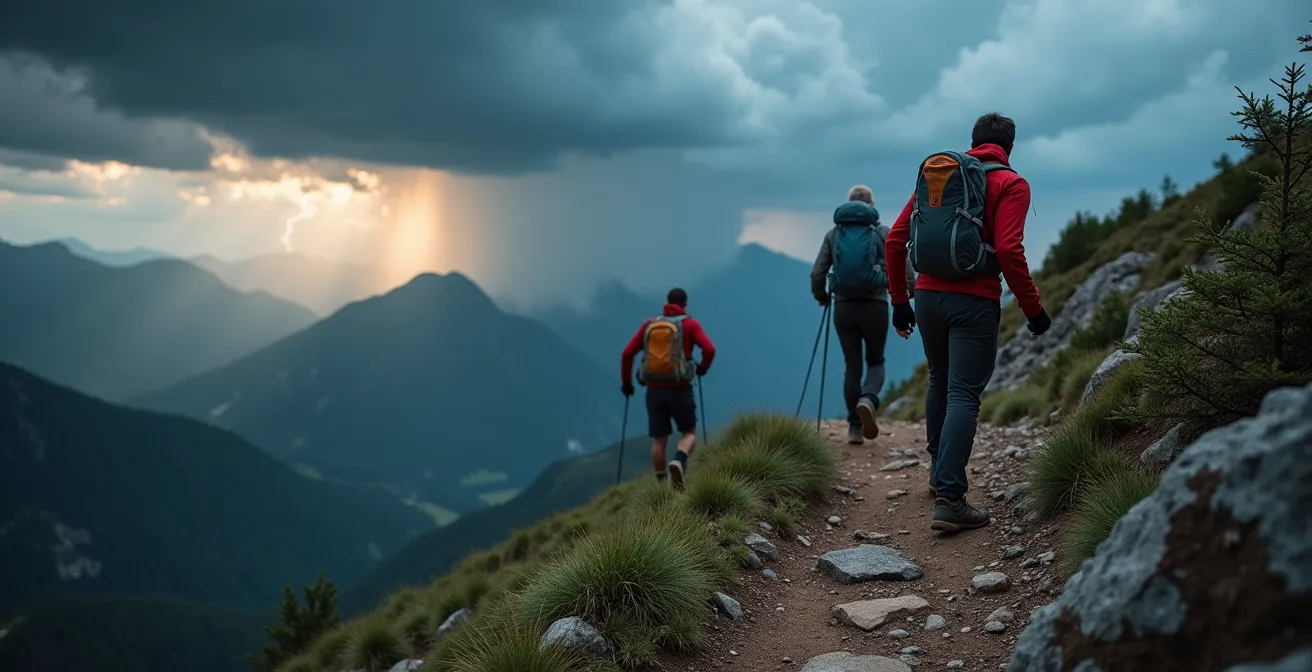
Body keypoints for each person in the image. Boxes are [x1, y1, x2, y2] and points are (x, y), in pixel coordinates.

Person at [885, 112, 1051, 532]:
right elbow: (1010, 251)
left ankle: (938, 473)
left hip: (925, 297)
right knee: (963, 393)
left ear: (973, 141)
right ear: (1009, 147)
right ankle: (951, 499)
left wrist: (900, 302)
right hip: (973, 301)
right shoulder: (1012, 184)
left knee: (939, 379)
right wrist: (1034, 311)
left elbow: (895, 240)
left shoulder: (939, 177)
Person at [811, 185, 915, 445]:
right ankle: (868, 399)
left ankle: (854, 429)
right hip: (875, 306)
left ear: (848, 204)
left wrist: (822, 297)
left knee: (852, 367)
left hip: (843, 307)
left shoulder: (834, 234)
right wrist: (907, 294)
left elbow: (817, 273)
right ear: (871, 204)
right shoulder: (881, 232)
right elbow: (905, 266)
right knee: (876, 361)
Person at [620, 287, 716, 491]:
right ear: (685, 304)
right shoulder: (690, 324)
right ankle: (679, 461)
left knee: (660, 440)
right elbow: (709, 349)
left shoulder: (649, 325)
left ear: (666, 303)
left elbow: (627, 353)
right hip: (680, 388)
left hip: (654, 390)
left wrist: (627, 383)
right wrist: (702, 368)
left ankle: (661, 486)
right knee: (689, 432)